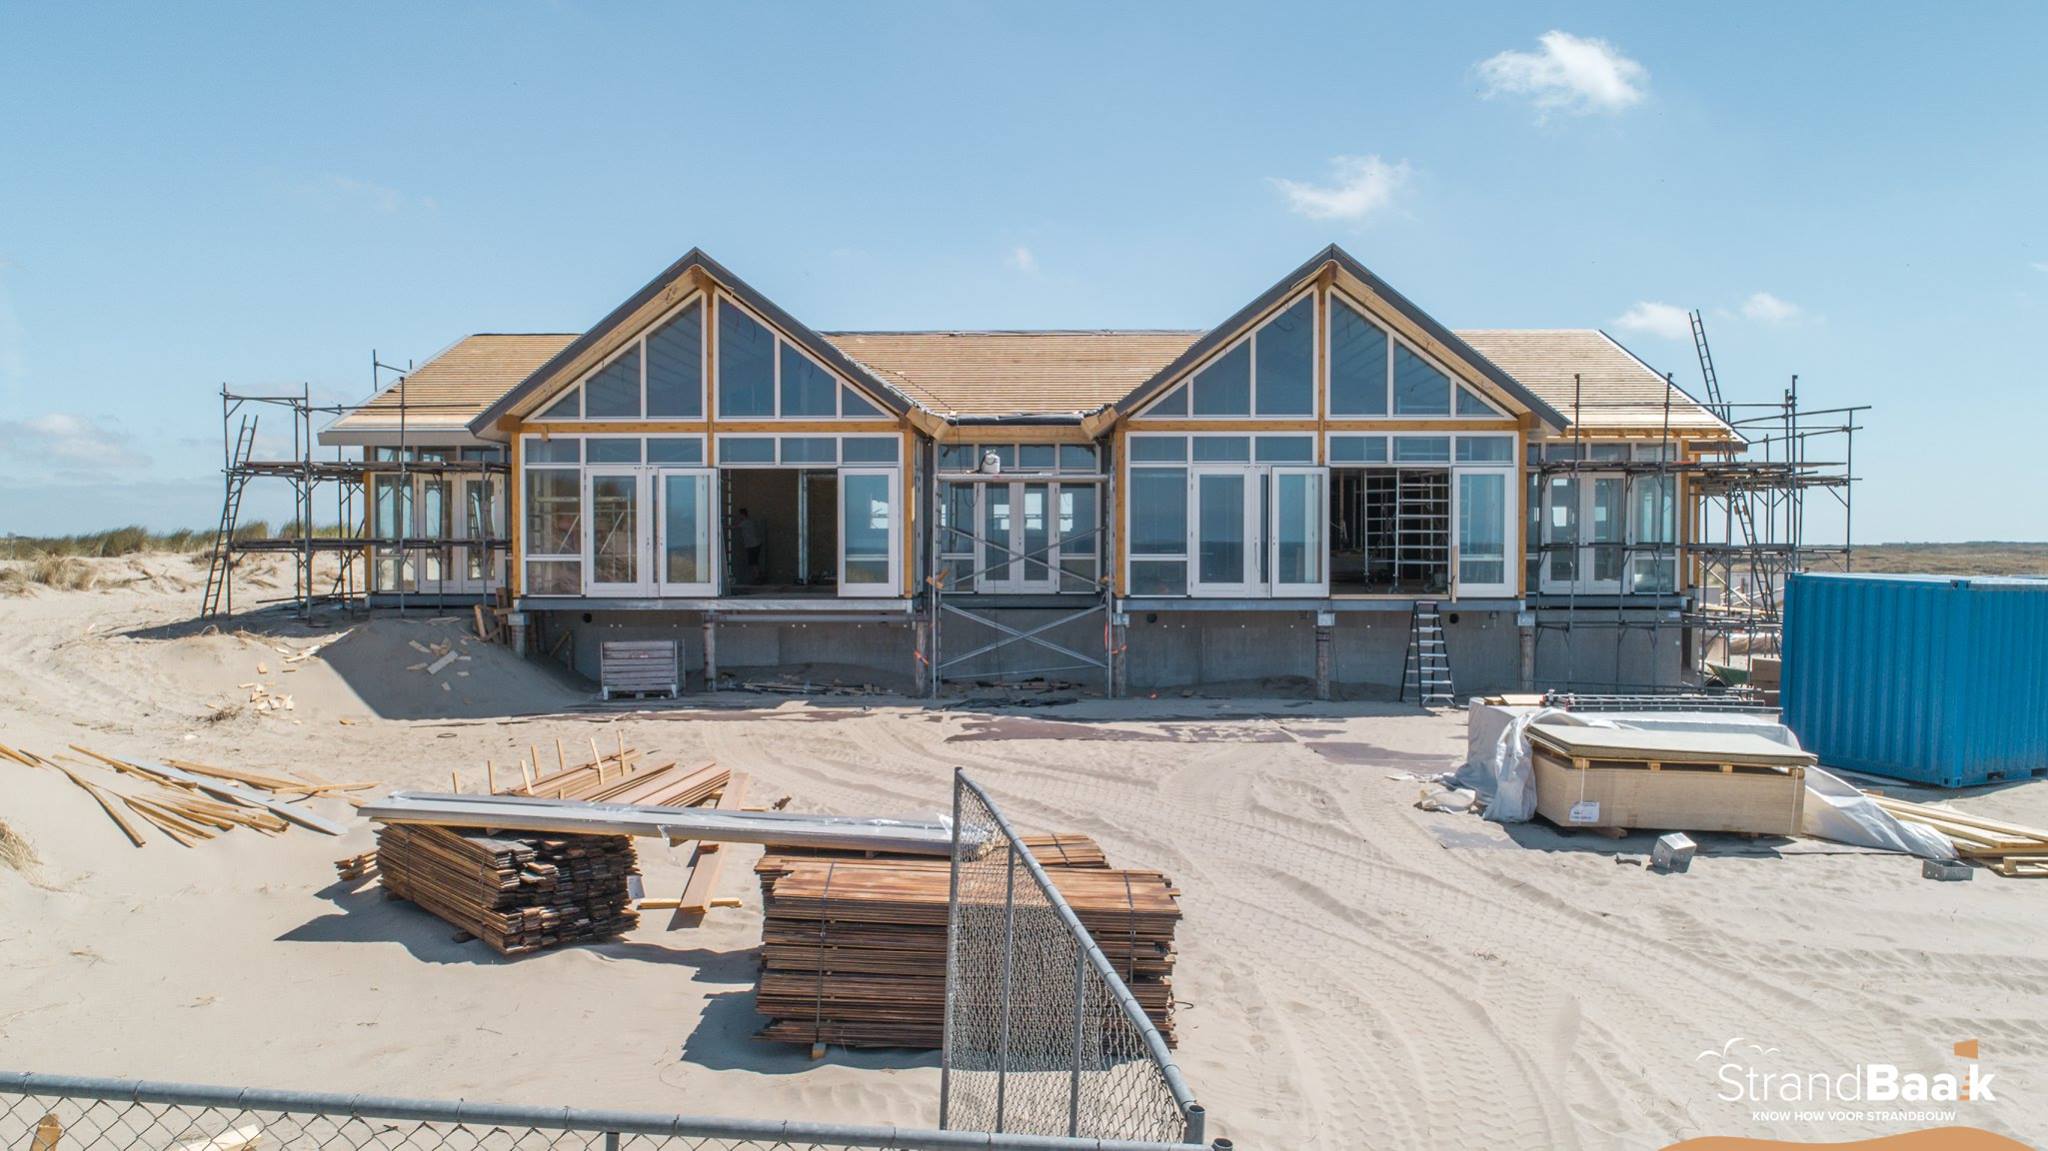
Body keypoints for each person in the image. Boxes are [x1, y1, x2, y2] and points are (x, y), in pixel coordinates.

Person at [735, 507, 763, 583]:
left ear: (742, 514)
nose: (739, 517)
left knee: (753, 562)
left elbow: (735, 527)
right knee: (754, 561)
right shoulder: (749, 521)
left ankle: (757, 577)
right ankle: (758, 576)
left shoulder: (745, 522)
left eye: (739, 515)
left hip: (752, 545)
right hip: (755, 544)